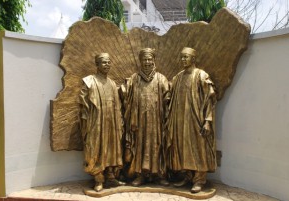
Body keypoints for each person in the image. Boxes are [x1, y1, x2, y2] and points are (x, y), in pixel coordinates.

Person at [166, 47, 217, 193]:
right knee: (183, 148)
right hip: (180, 120)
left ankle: (199, 179)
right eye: (181, 57)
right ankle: (188, 176)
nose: (183, 60)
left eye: (186, 57)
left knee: (198, 148)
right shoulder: (178, 77)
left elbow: (210, 99)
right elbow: (170, 94)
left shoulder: (201, 75)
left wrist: (207, 120)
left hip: (197, 120)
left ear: (193, 59)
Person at [120, 48, 170, 186]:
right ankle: (140, 174)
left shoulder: (161, 78)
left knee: (157, 145)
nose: (147, 62)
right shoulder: (134, 79)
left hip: (157, 121)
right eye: (144, 60)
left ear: (154, 60)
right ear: (140, 61)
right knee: (139, 146)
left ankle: (159, 174)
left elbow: (168, 99)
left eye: (149, 59)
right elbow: (126, 97)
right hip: (139, 122)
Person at [79, 53, 124, 192]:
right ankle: (98, 178)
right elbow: (83, 103)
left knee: (111, 148)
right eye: (104, 62)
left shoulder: (111, 83)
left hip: (111, 122)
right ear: (97, 65)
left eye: (109, 62)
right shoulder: (89, 81)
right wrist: (88, 120)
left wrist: (118, 120)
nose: (107, 65)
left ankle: (110, 177)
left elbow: (117, 104)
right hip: (96, 123)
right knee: (97, 148)